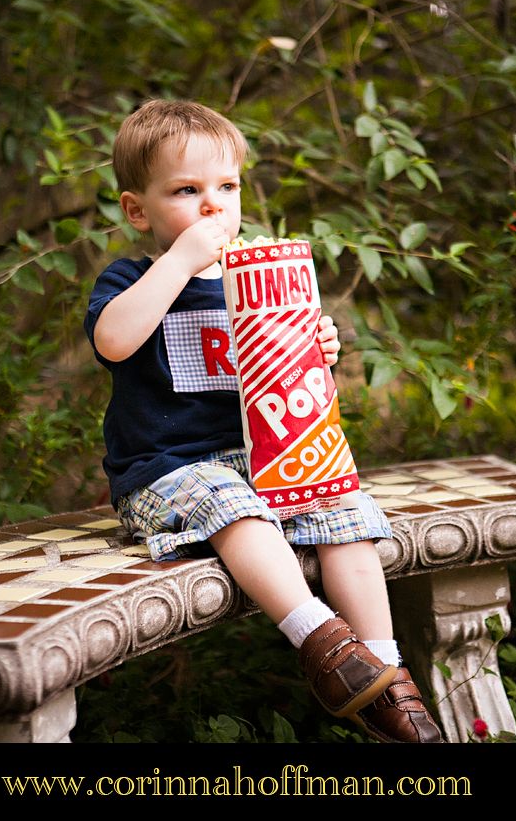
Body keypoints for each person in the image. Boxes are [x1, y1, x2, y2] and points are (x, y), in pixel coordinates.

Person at [84, 98, 444, 744]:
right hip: (170, 471)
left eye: (226, 187)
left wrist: (318, 352)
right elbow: (113, 340)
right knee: (234, 506)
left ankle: (386, 672)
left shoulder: (255, 281)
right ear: (138, 209)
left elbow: (282, 392)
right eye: (187, 190)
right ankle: (324, 645)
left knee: (342, 506)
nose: (213, 205)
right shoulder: (135, 278)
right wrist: (180, 261)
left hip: (259, 459)